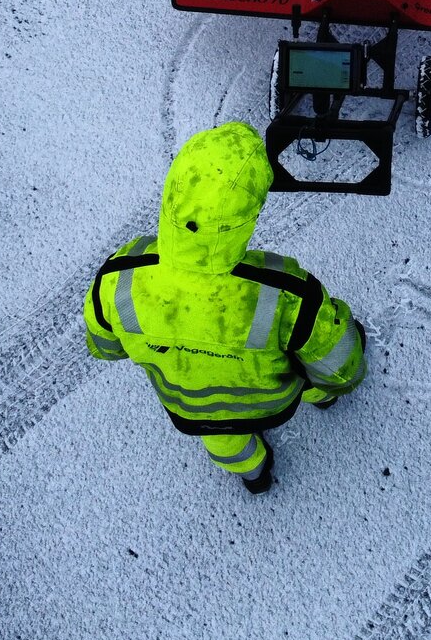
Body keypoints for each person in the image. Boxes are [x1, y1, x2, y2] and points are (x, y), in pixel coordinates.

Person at [82, 121, 367, 494]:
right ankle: (321, 400)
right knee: (308, 372)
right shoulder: (284, 291)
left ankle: (254, 474)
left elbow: (104, 347)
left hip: (190, 405)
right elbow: (336, 360)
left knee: (223, 440)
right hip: (274, 397)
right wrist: (337, 383)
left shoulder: (118, 278)